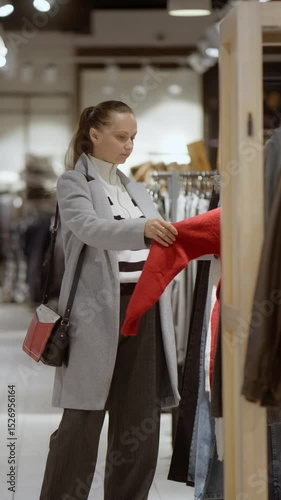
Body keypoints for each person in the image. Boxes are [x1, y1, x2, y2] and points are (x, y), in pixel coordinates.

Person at [39, 100, 180, 500]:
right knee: (80, 423)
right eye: (121, 136)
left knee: (139, 423)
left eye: (133, 137)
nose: (128, 145)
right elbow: (90, 228)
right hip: (94, 314)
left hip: (145, 310)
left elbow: (163, 239)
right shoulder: (73, 183)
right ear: (95, 134)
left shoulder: (135, 187)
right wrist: (144, 229)